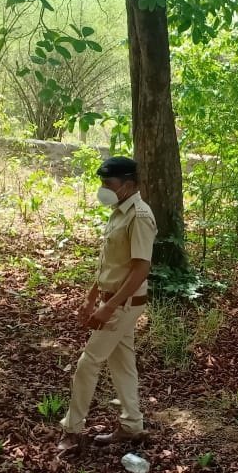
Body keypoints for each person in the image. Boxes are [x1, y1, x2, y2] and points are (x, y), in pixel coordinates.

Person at [57, 156, 157, 452]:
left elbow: (141, 268)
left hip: (124, 304)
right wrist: (91, 296)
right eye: (102, 182)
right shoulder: (119, 211)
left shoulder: (139, 216)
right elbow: (111, 264)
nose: (103, 188)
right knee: (122, 363)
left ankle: (73, 430)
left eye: (108, 183)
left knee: (88, 363)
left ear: (128, 184)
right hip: (113, 299)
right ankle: (132, 426)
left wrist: (110, 306)